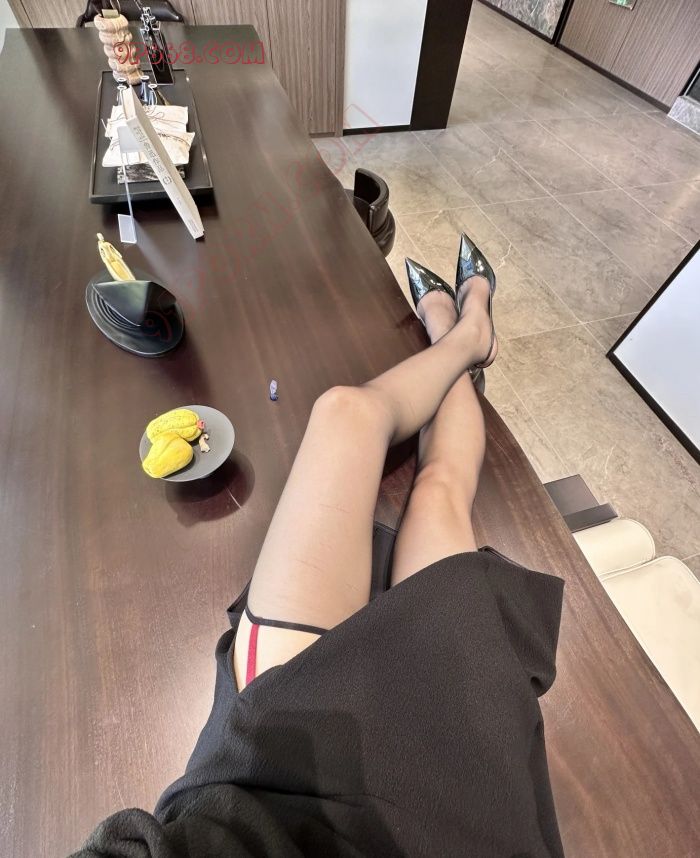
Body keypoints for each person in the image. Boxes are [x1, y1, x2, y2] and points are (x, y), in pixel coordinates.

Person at [70, 234, 565, 858]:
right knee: (437, 493)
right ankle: (462, 332)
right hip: (444, 819)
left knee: (344, 414)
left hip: (259, 787)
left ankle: (462, 338)